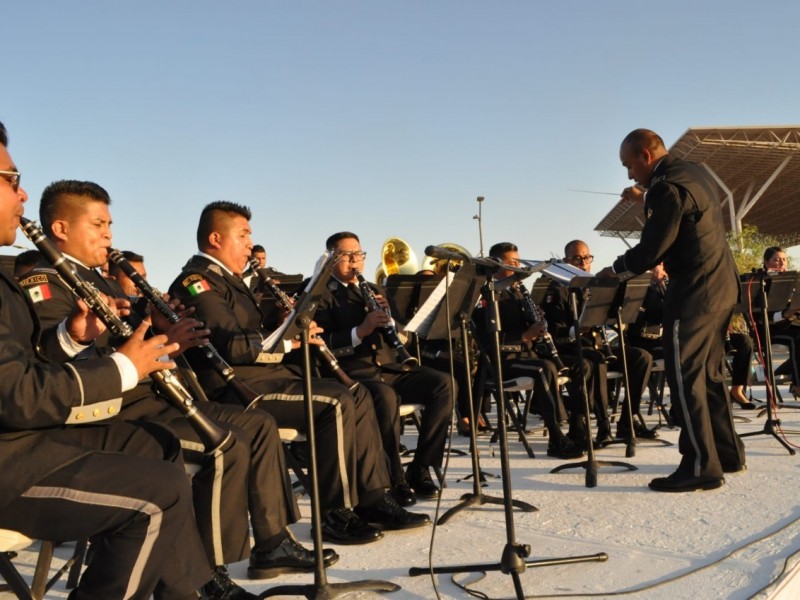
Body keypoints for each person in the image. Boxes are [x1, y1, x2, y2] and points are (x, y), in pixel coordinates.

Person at [20, 180, 336, 589]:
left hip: (150, 399)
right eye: (98, 224)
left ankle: (270, 542)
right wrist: (82, 335)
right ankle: (206, 576)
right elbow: (49, 362)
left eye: (110, 224)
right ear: (60, 229)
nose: (109, 234)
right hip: (113, 411)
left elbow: (136, 345)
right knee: (224, 446)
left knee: (256, 427)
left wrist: (167, 334)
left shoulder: (105, 282)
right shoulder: (44, 282)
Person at [0, 120, 226, 599]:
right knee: (157, 494)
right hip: (11, 453)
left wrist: (73, 337)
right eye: (10, 180)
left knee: (157, 446)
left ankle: (187, 589)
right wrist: (126, 365)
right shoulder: (36, 279)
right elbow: (16, 396)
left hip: (24, 436)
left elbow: (22, 365)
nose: (22, 198)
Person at [169, 201, 430, 544]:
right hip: (237, 386)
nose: (250, 243)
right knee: (335, 401)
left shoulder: (231, 280)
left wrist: (286, 323)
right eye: (244, 234)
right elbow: (233, 345)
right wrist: (289, 339)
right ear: (216, 238)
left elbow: (256, 332)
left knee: (359, 393)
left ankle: (373, 499)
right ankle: (334, 513)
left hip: (268, 374)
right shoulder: (197, 281)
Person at [597, 127, 745, 492]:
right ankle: (726, 453)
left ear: (645, 157)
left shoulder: (664, 189)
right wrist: (646, 196)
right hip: (722, 286)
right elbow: (679, 207)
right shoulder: (692, 171)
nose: (629, 174)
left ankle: (699, 466)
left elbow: (652, 249)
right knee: (709, 376)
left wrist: (613, 270)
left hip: (694, 293)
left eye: (629, 165)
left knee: (685, 380)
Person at [313, 231, 456, 502]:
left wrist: (393, 321)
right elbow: (320, 343)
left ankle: (421, 466)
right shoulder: (319, 291)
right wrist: (361, 330)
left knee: (443, 384)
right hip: (352, 373)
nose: (356, 260)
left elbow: (404, 335)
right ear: (331, 259)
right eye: (347, 255)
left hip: (390, 368)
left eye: (360, 254)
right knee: (385, 397)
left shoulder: (375, 289)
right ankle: (394, 476)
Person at [473, 242, 583, 459]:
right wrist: (524, 336)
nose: (518, 265)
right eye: (512, 262)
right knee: (543, 369)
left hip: (527, 356)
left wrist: (538, 324)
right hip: (503, 361)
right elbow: (485, 341)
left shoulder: (519, 292)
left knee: (577, 363)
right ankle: (555, 437)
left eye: (518, 260)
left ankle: (577, 430)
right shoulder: (487, 295)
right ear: (496, 265)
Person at [541, 239, 655, 445]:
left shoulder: (597, 286)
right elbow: (555, 331)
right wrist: (579, 328)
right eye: (577, 258)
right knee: (596, 359)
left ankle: (627, 420)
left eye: (586, 257)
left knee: (641, 357)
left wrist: (617, 318)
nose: (583, 262)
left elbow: (616, 319)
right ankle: (603, 425)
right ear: (566, 261)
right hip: (571, 349)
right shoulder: (558, 290)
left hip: (598, 347)